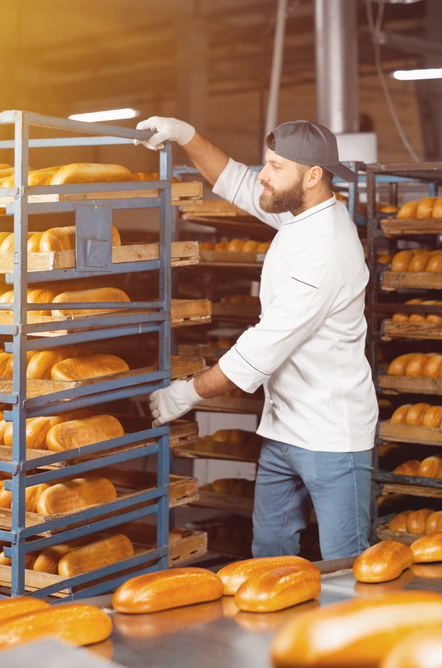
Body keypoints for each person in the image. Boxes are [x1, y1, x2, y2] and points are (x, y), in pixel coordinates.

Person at [138, 116, 377, 560]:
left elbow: (263, 347)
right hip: (283, 428)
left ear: (312, 176)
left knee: (347, 564)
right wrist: (187, 133)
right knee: (270, 557)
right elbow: (234, 181)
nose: (262, 174)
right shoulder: (301, 211)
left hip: (330, 436)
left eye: (274, 166)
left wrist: (187, 393)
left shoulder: (325, 248)